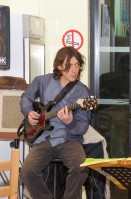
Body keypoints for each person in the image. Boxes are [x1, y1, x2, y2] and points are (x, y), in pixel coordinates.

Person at [20, 46, 92, 199]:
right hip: (44, 138)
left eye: (77, 65)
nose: (74, 70)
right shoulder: (43, 81)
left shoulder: (83, 93)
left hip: (69, 139)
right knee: (27, 172)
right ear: (59, 67)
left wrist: (70, 123)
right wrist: (28, 112)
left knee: (81, 168)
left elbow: (83, 126)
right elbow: (26, 97)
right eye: (69, 65)